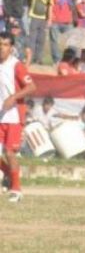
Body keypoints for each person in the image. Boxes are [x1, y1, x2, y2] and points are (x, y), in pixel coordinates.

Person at [0, 31, 36, 202]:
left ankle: (16, 189)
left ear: (11, 48)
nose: (1, 48)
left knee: (9, 152)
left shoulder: (16, 66)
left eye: (5, 45)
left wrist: (13, 97)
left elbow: (31, 87)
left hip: (13, 116)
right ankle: (8, 174)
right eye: (0, 44)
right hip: (0, 115)